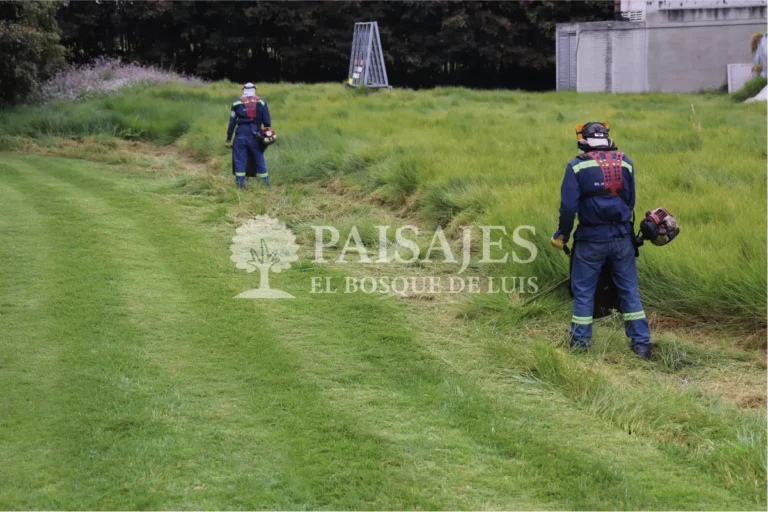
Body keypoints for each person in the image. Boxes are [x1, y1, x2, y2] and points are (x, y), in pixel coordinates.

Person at [550, 122, 651, 359]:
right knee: (629, 291)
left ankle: (580, 345)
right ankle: (641, 345)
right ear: (607, 139)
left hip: (590, 241)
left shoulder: (576, 166)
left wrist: (562, 235)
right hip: (622, 239)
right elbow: (630, 201)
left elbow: (568, 208)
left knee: (584, 292)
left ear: (583, 140)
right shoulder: (625, 162)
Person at [225, 82, 272, 188]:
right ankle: (265, 185)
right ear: (255, 90)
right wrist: (268, 137)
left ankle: (240, 186)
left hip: (240, 136)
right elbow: (267, 122)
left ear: (243, 90)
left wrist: (228, 139)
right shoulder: (261, 102)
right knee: (259, 159)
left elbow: (232, 123)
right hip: (256, 136)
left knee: (239, 160)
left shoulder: (236, 103)